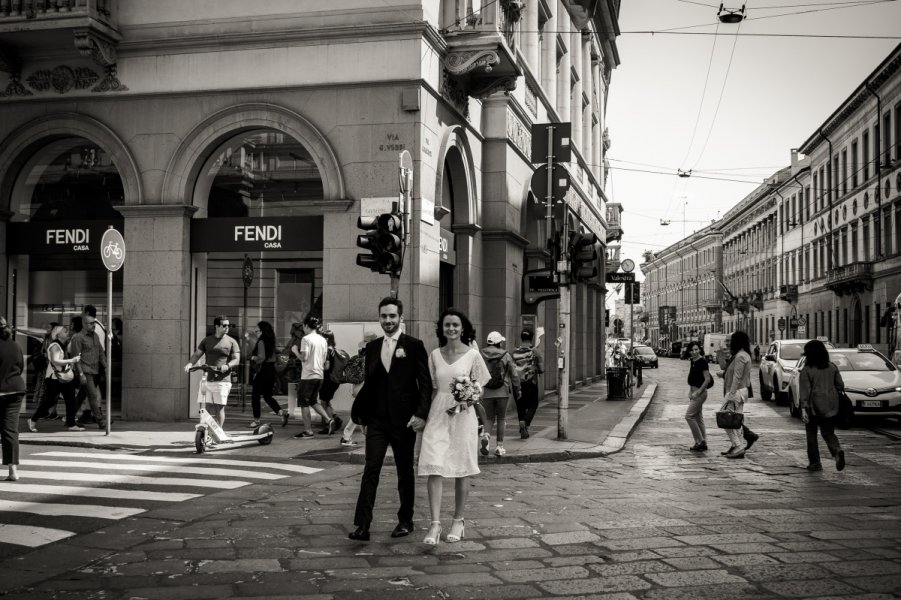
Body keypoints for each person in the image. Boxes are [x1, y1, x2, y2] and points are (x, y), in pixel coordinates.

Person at [348, 297, 432, 542]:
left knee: (404, 471)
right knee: (370, 469)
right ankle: (362, 525)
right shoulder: (373, 348)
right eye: (384, 316)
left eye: (392, 316)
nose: (388, 320)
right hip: (376, 420)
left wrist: (421, 414)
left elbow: (425, 384)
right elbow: (370, 384)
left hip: (404, 421)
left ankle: (406, 521)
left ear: (400, 318)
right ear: (379, 317)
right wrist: (363, 417)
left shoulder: (414, 345)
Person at [417, 308, 489, 545]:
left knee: (461, 467)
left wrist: (464, 402)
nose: (451, 329)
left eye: (455, 325)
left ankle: (458, 520)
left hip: (463, 415)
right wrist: (422, 416)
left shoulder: (473, 356)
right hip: (438, 412)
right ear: (442, 328)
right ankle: (435, 524)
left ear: (463, 328)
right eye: (447, 325)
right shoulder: (434, 355)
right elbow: (431, 387)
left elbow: (480, 388)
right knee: (433, 464)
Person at [184, 315, 240, 428]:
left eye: (229, 325)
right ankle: (206, 433)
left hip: (222, 381)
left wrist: (227, 365)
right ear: (217, 326)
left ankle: (218, 432)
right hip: (207, 380)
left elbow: (236, 360)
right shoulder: (207, 340)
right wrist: (190, 364)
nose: (227, 327)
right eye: (224, 325)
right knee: (206, 408)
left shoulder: (231, 341)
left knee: (219, 409)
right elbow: (197, 355)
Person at [798, 339, 846, 472]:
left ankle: (815, 463)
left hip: (813, 406)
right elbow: (840, 385)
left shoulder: (807, 370)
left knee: (811, 434)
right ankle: (837, 450)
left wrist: (803, 408)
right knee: (828, 432)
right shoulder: (832, 367)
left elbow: (804, 391)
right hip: (831, 405)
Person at [27, 325, 82, 432]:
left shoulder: (64, 344)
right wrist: (72, 360)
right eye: (65, 331)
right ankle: (33, 419)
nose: (68, 333)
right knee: (50, 401)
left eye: (67, 331)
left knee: (70, 399)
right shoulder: (55, 345)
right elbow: (55, 361)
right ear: (58, 334)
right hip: (54, 378)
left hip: (64, 376)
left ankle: (71, 423)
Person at [291, 316, 334, 439]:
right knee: (313, 401)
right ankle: (329, 419)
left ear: (306, 326)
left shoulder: (306, 339)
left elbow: (304, 358)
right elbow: (326, 363)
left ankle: (308, 431)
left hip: (308, 375)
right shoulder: (323, 340)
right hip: (319, 375)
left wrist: (295, 351)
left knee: (304, 403)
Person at [719, 330, 759, 459]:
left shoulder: (740, 356)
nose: (730, 344)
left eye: (732, 341)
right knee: (735, 420)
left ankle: (738, 446)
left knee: (725, 418)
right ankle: (736, 446)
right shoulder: (743, 354)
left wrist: (731, 393)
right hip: (740, 391)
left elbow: (737, 376)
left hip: (736, 392)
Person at [479, 331, 520, 457]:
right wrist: (517, 389)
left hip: (486, 391)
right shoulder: (506, 355)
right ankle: (499, 446)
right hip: (502, 391)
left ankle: (486, 437)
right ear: (498, 343)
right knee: (501, 418)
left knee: (489, 418)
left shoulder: (480, 354)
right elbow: (514, 374)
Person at [340, 331, 378, 447]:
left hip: (358, 387)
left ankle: (352, 435)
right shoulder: (371, 356)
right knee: (360, 412)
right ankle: (346, 437)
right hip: (365, 387)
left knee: (363, 411)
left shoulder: (361, 354)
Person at [1, 317, 26, 481]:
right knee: (10, 430)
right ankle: (13, 471)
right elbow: (21, 367)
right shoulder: (16, 346)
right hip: (16, 390)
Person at [249, 321, 288, 428]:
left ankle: (256, 420)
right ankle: (281, 412)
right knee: (267, 396)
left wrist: (253, 358)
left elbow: (261, 358)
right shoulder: (270, 341)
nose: (256, 333)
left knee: (255, 396)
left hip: (263, 370)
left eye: (257, 331)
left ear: (262, 331)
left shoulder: (261, 341)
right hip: (271, 370)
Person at [512, 329, 544, 439]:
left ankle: (523, 429)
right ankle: (525, 423)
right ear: (532, 338)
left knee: (520, 406)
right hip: (531, 382)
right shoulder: (535, 351)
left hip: (517, 383)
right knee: (533, 404)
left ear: (521, 338)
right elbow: (541, 368)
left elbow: (511, 368)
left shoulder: (514, 351)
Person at [685, 341, 713, 452]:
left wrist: (698, 392)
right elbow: (693, 378)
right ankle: (703, 441)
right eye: (692, 350)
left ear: (699, 349)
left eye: (697, 349)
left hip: (700, 393)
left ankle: (699, 441)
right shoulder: (693, 361)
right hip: (694, 391)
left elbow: (707, 379)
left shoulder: (702, 361)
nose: (695, 352)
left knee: (689, 416)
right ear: (690, 351)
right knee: (698, 417)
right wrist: (690, 391)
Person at [316, 330, 344, 435]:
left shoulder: (327, 350)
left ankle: (329, 425)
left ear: (326, 339)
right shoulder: (333, 349)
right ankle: (336, 419)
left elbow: (326, 366)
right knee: (326, 402)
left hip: (328, 379)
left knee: (323, 402)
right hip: (334, 380)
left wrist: (317, 366)